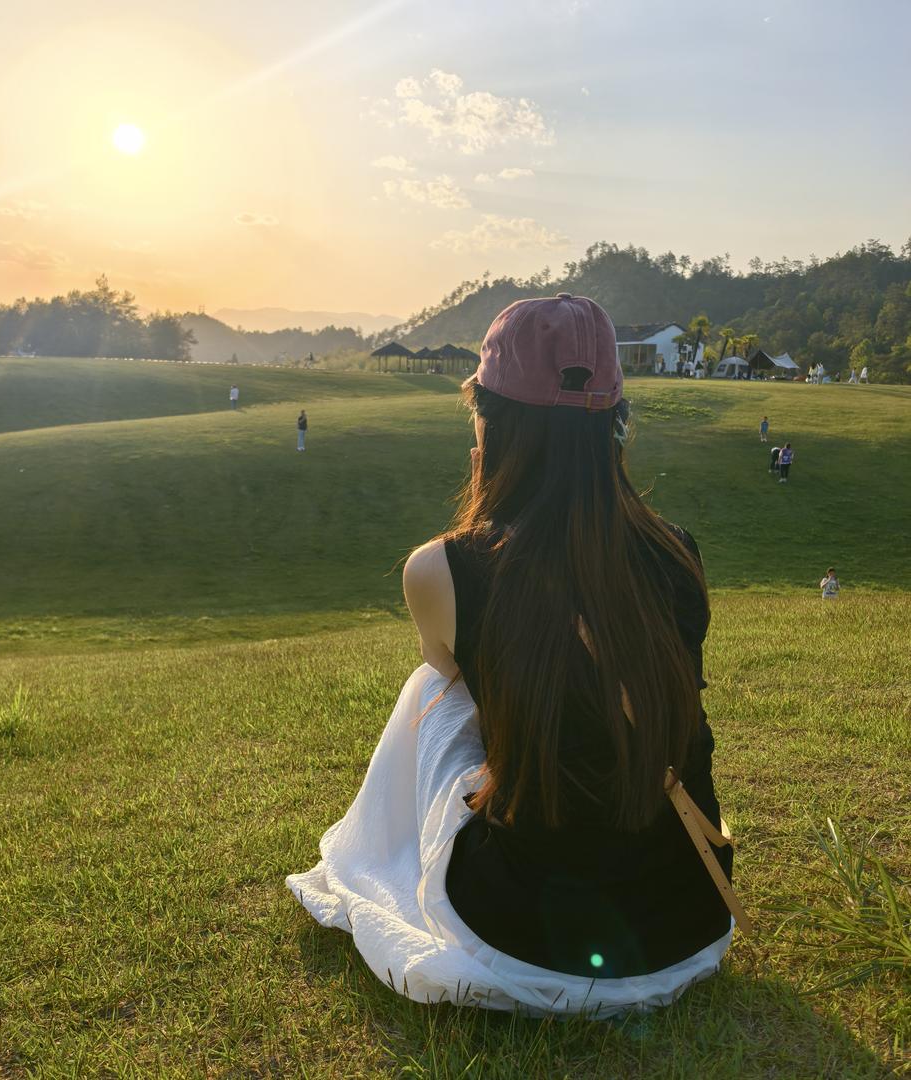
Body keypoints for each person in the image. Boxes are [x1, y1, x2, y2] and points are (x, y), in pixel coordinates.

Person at [288, 295, 747, 1016]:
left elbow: (450, 669)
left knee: (430, 690)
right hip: (690, 925)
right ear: (613, 427)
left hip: (525, 938)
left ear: (493, 423)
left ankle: (374, 861)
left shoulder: (442, 569)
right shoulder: (678, 552)